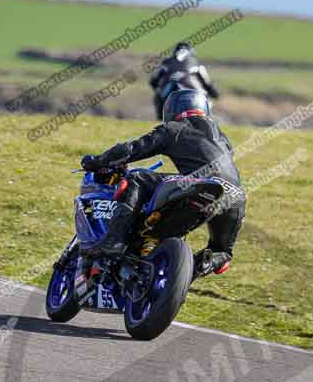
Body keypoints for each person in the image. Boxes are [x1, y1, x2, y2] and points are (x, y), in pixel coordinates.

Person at [81, 89, 244, 280]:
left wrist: (99, 161)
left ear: (172, 110)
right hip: (235, 197)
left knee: (137, 178)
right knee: (222, 252)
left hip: (200, 183)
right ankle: (192, 269)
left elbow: (132, 149)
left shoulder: (174, 128)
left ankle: (115, 241)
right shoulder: (222, 138)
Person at [149, 42, 221, 120]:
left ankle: (160, 119)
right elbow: (207, 83)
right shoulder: (196, 63)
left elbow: (153, 80)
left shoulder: (166, 63)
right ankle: (206, 119)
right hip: (195, 93)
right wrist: (215, 94)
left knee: (158, 95)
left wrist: (157, 88)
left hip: (168, 93)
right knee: (207, 99)